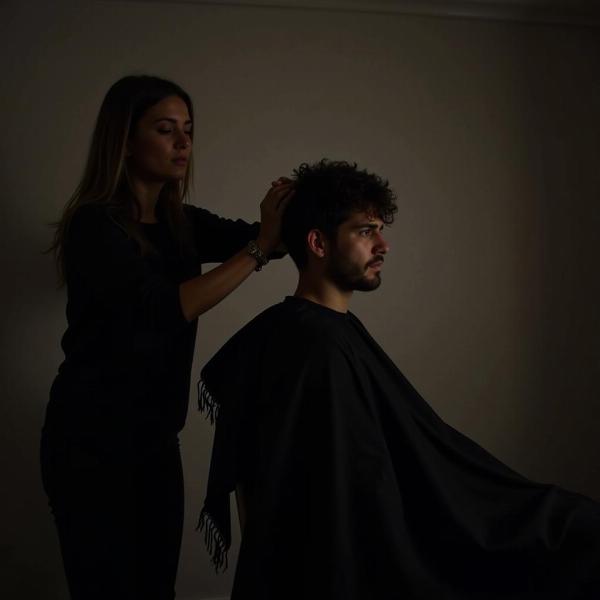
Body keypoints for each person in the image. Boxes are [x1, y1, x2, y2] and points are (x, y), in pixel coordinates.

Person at [198, 159, 600, 599]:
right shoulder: (316, 345)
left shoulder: (310, 332)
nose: (384, 245)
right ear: (317, 242)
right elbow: (342, 494)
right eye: (365, 231)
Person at [40, 75, 294, 600]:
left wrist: (304, 205)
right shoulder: (94, 225)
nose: (183, 143)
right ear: (126, 140)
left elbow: (268, 239)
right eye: (165, 129)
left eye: (188, 130)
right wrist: (258, 250)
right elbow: (164, 308)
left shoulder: (182, 222)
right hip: (90, 445)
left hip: (155, 442)